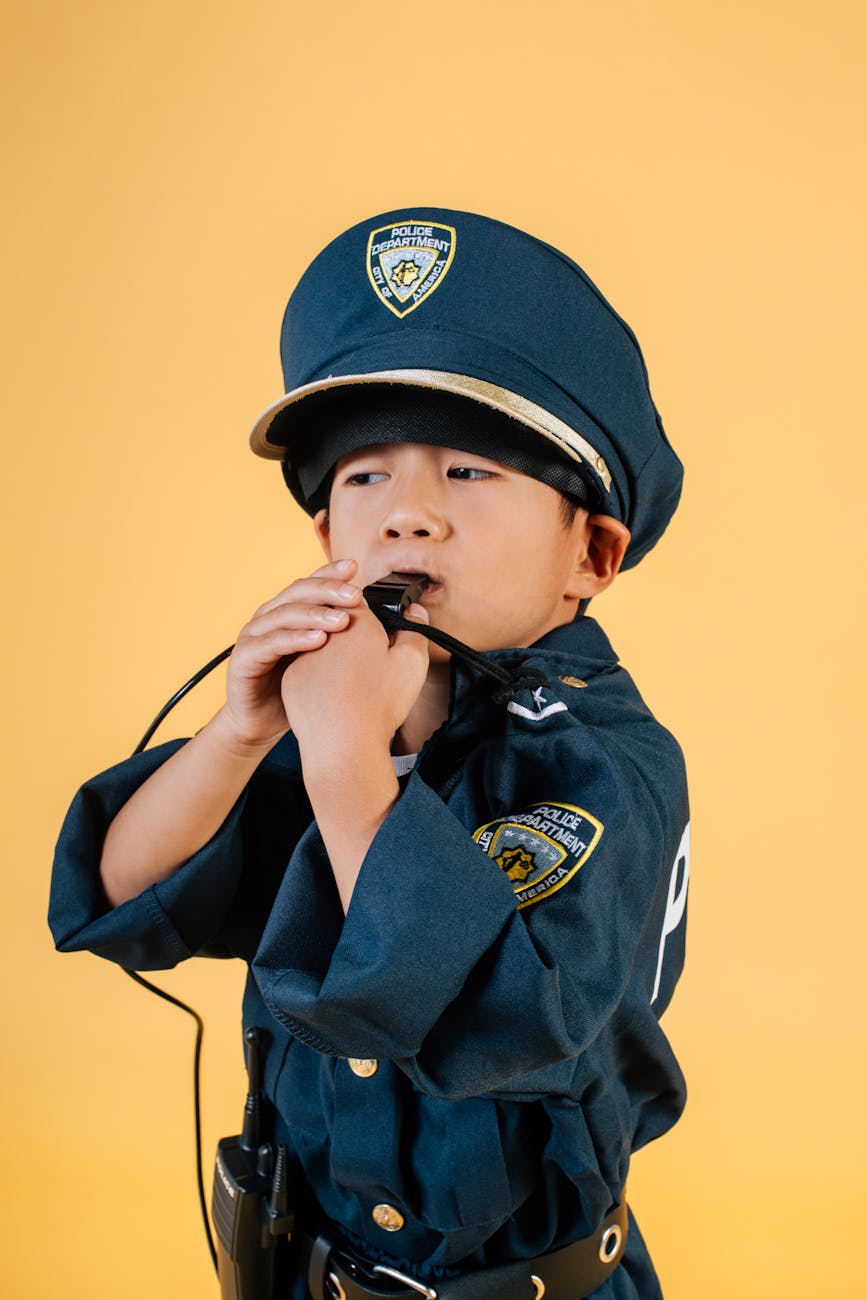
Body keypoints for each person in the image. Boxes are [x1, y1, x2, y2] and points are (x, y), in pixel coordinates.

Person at [49, 207, 690, 1300]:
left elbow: (492, 1018)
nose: (409, 517)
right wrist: (241, 727)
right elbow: (125, 892)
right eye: (364, 477)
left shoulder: (598, 766)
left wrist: (347, 757)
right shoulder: (325, 718)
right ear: (325, 542)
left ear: (590, 550)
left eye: (471, 473)